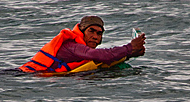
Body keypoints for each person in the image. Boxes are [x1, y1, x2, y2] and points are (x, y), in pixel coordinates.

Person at [18, 16, 146, 73]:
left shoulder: (82, 50)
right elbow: (98, 55)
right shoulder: (72, 46)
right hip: (23, 76)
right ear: (82, 32)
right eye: (91, 31)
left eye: (99, 34)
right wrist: (129, 47)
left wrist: (131, 54)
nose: (95, 37)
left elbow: (102, 60)